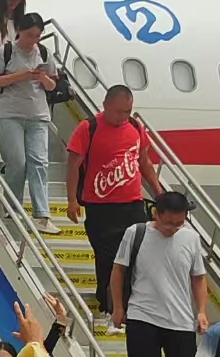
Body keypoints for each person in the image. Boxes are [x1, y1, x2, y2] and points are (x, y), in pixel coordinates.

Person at [113, 190, 213, 357]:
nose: (173, 229)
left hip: (180, 320)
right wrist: (119, 307)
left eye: (179, 223)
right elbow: (118, 271)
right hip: (142, 314)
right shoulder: (136, 233)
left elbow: (198, 278)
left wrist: (201, 311)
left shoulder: (191, 238)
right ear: (156, 213)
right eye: (169, 223)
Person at [66, 85, 162, 315]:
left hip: (132, 204)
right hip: (101, 207)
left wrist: (159, 194)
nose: (123, 116)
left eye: (127, 111)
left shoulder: (135, 127)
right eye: (119, 111)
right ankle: (108, 305)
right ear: (105, 105)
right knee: (108, 259)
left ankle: (132, 305)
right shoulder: (88, 127)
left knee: (137, 257)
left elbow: (144, 163)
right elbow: (73, 166)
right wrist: (71, 200)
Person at [0, 13, 61, 230]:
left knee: (39, 163)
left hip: (38, 115)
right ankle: (12, 207)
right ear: (19, 32)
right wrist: (22, 75)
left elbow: (53, 86)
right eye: (29, 35)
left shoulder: (43, 53)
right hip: (10, 114)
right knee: (17, 162)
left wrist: (43, 78)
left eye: (37, 36)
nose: (32, 40)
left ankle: (42, 215)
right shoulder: (6, 51)